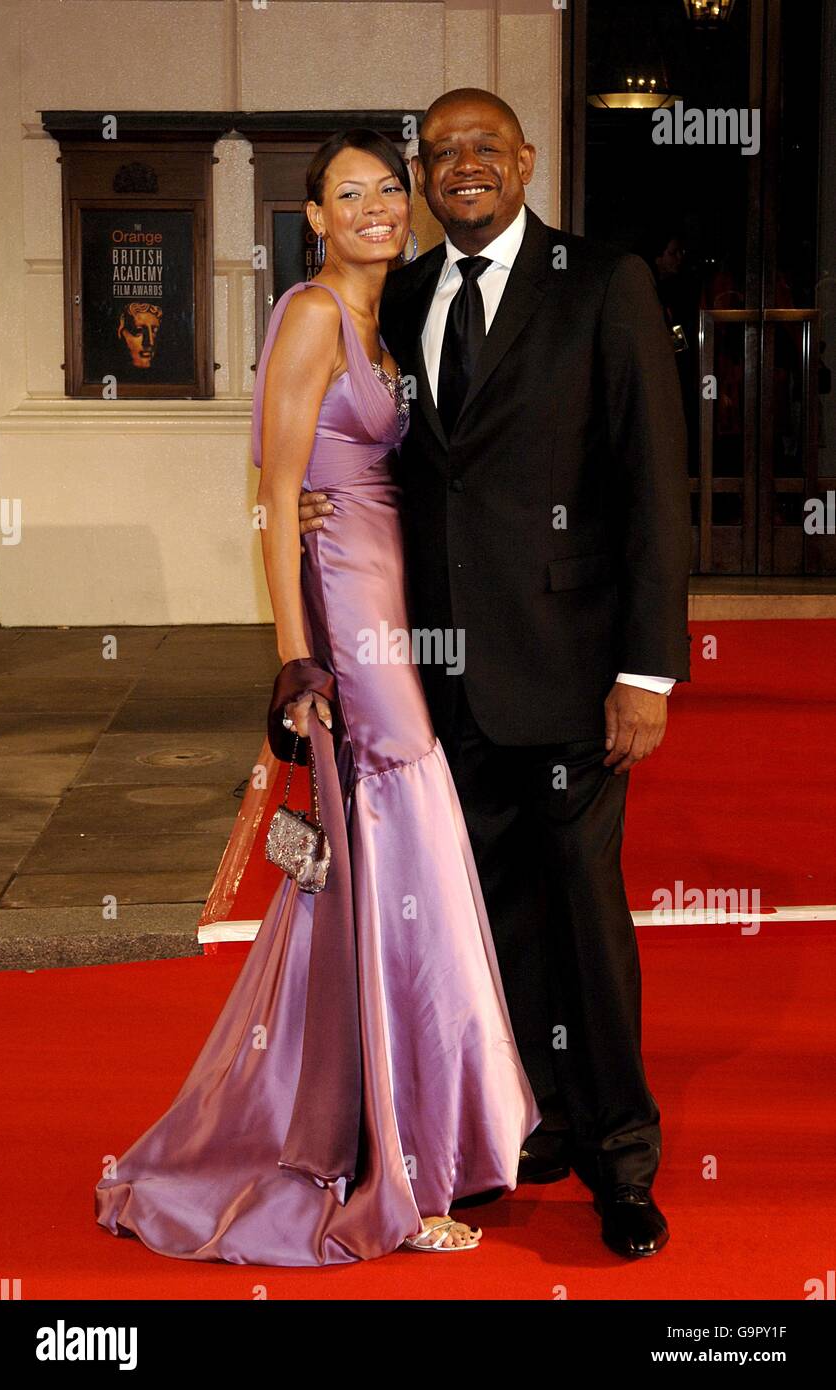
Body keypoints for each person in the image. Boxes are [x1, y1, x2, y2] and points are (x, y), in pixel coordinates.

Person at [93, 128, 540, 1267]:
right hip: (350, 625)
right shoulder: (306, 317)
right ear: (316, 219)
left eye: (390, 187)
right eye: (353, 194)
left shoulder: (377, 323)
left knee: (369, 879)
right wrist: (296, 666)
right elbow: (278, 494)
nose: (381, 205)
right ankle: (397, 1172)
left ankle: (389, 1135)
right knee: (398, 861)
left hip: (386, 609)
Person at [299, 90, 692, 1259]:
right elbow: (401, 463)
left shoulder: (602, 281)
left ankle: (622, 1154)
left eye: (486, 147)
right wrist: (321, 505)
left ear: (525, 160)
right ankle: (528, 1128)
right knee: (492, 918)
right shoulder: (404, 291)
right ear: (423, 177)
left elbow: (652, 487)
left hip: (574, 675)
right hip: (444, 674)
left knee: (583, 915)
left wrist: (647, 674)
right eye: (442, 152)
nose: (462, 166)